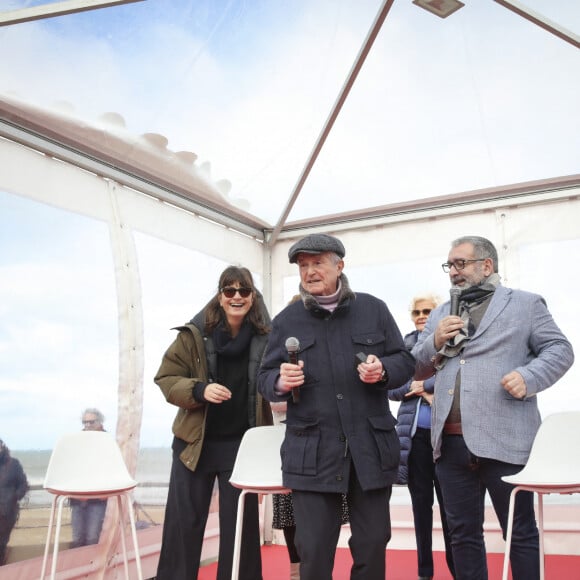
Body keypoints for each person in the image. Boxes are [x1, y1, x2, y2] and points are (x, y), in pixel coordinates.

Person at [412, 235, 574, 580]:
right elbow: (416, 368)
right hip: (450, 443)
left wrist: (528, 377)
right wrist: (436, 340)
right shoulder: (441, 312)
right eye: (449, 265)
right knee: (462, 535)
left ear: (486, 265)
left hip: (505, 438)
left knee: (519, 532)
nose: (453, 272)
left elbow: (560, 350)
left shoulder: (526, 304)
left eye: (461, 263)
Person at [258, 233, 415, 580]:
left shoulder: (373, 309)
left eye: (317, 263)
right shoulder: (287, 320)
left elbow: (404, 362)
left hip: (369, 448)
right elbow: (264, 377)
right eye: (303, 266)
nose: (310, 272)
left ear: (339, 266)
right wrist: (282, 381)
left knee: (374, 541)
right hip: (312, 451)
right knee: (313, 548)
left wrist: (383, 370)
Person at [155, 265, 273, 580]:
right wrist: (199, 389)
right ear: (220, 296)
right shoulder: (193, 334)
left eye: (243, 290)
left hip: (241, 447)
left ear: (252, 296)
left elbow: (278, 378)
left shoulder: (267, 337)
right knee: (184, 526)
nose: (236, 296)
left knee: (242, 531)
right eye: (229, 290)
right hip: (194, 444)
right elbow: (166, 378)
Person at [388, 294, 455, 580]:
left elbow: (454, 378)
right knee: (421, 509)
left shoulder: (452, 342)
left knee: (453, 512)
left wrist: (423, 384)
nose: (421, 315)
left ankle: (458, 570)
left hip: (446, 439)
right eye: (416, 311)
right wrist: (419, 388)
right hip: (414, 442)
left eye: (427, 310)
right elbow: (390, 389)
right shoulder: (403, 348)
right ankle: (424, 573)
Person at [69, 408, 108, 548]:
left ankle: (91, 568)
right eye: (85, 422)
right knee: (77, 538)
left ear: (100, 422)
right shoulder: (76, 443)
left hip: (97, 499)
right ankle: (79, 568)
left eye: (91, 422)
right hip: (78, 498)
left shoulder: (108, 443)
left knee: (92, 538)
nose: (87, 425)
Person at [0, 439, 28, 566]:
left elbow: (23, 484)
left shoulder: (14, 464)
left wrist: (14, 497)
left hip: (8, 510)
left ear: (2, 447)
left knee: (2, 542)